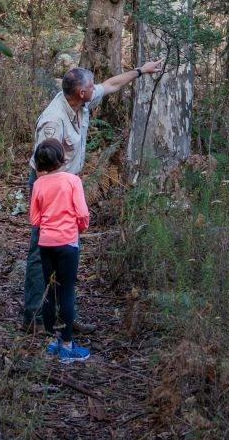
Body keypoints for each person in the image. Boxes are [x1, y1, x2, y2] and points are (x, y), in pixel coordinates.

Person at [21, 61, 163, 327]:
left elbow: (110, 85)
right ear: (80, 93)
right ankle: (35, 316)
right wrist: (59, 200)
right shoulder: (53, 121)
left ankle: (64, 315)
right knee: (42, 249)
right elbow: (42, 166)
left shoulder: (80, 101)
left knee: (67, 252)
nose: (94, 87)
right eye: (89, 86)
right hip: (49, 186)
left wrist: (141, 71)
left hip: (68, 183)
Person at [29, 138, 89, 362]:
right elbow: (82, 214)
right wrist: (79, 228)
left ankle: (52, 341)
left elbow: (35, 219)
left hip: (46, 244)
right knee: (66, 292)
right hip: (68, 243)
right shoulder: (73, 181)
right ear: (61, 158)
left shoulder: (38, 185)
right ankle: (67, 345)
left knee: (49, 291)